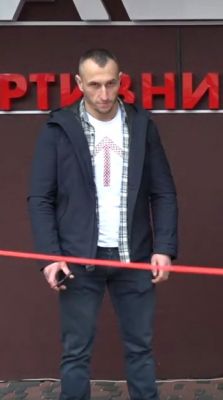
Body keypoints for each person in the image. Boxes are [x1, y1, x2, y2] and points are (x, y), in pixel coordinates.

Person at [28, 48, 178, 400]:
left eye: (111, 83)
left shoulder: (141, 125)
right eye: (95, 85)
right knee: (75, 354)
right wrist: (50, 257)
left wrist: (164, 248)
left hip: (134, 256)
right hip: (78, 259)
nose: (104, 94)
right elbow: (40, 199)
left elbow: (164, 192)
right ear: (79, 83)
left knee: (141, 350)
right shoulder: (58, 128)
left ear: (121, 80)